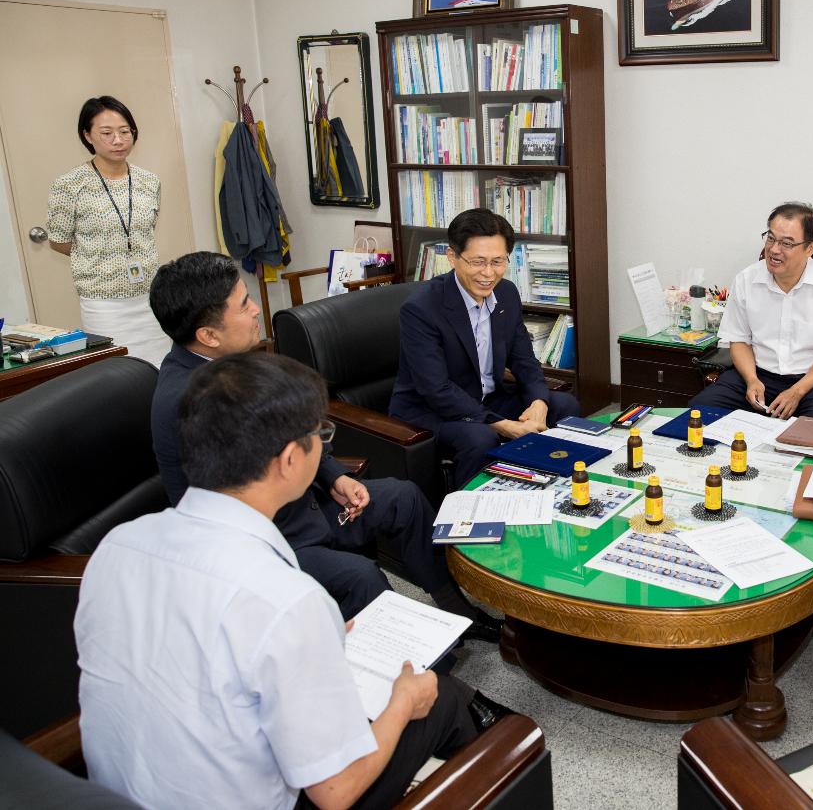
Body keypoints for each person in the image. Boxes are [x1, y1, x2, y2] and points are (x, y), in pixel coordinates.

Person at [75, 352, 506, 809]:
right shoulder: (287, 599)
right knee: (433, 701)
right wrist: (402, 705)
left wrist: (309, 645)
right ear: (288, 460)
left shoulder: (117, 547)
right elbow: (334, 792)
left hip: (119, 794)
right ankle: (501, 750)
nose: (323, 444)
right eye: (321, 434)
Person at [147, 252, 501, 643]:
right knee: (361, 579)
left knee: (405, 498)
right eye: (244, 304)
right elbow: (236, 502)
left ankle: (457, 610)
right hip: (267, 541)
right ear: (208, 335)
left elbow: (292, 436)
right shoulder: (192, 400)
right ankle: (427, 683)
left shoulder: (229, 363)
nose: (254, 311)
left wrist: (334, 477)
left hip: (305, 506)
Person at [389, 208, 580, 484]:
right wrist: (503, 425)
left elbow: (525, 360)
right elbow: (436, 389)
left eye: (498, 262)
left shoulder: (506, 293)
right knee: (481, 436)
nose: (488, 274)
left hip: (486, 397)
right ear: (453, 257)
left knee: (563, 405)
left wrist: (538, 403)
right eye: (478, 262)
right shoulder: (421, 309)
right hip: (430, 410)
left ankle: (551, 487)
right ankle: (469, 517)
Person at [690, 202, 813, 421]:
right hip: (757, 374)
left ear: (810, 248)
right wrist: (751, 380)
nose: (774, 249)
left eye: (787, 243)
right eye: (771, 238)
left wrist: (797, 391)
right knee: (699, 412)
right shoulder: (746, 280)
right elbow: (739, 341)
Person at [46, 96, 169, 367]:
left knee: (161, 369)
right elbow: (59, 241)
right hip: (104, 304)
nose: (118, 140)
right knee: (121, 378)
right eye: (107, 133)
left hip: (150, 296)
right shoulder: (69, 185)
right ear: (87, 135)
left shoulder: (149, 181)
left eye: (125, 131)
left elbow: (144, 232)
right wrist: (98, 255)